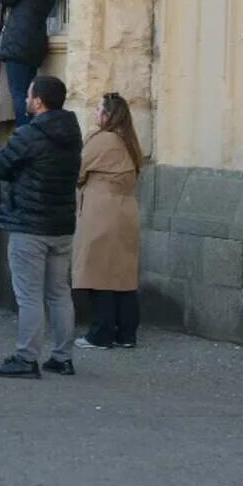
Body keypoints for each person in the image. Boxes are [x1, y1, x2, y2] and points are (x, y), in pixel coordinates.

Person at [0, 75, 83, 379]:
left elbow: (0, 165)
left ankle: (27, 357)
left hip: (29, 223)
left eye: (29, 95)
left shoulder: (29, 134)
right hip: (61, 223)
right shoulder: (72, 132)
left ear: (38, 101)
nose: (26, 99)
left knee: (29, 295)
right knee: (59, 292)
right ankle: (62, 357)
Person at [74, 92, 144, 351]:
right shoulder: (129, 141)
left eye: (98, 109)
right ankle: (126, 333)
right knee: (123, 275)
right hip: (125, 209)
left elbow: (77, 169)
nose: (95, 114)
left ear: (108, 114)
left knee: (99, 273)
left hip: (101, 210)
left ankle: (101, 333)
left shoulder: (103, 140)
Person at [0, 0, 68, 126]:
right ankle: (35, 133)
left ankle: (24, 135)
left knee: (20, 95)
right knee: (32, 94)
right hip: (35, 41)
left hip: (18, 40)